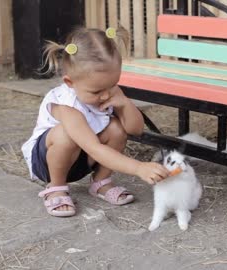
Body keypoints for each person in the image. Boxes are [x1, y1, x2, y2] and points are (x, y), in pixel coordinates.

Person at [21, 27, 169, 217]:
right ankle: (56, 187)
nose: (106, 95)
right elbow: (94, 148)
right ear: (70, 82)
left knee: (116, 128)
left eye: (112, 85)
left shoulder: (107, 90)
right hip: (47, 163)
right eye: (97, 91)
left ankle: (101, 182)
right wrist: (139, 168)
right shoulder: (66, 105)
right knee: (65, 135)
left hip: (83, 158)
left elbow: (136, 129)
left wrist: (124, 104)